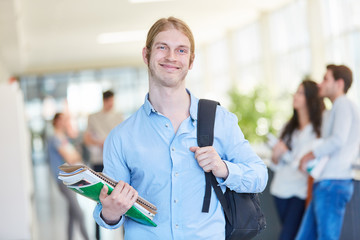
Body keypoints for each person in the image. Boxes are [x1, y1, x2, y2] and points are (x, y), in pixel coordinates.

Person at [92, 17, 268, 239]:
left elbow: (259, 175)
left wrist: (223, 168)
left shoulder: (221, 121)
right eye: (162, 47)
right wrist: (110, 211)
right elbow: (106, 212)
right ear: (146, 55)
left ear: (191, 61)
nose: (171, 57)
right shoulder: (121, 137)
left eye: (181, 50)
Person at [296, 64, 360, 240]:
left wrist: (309, 155)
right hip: (326, 182)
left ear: (339, 83)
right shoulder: (335, 109)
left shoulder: (343, 104)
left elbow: (337, 140)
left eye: (326, 79)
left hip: (334, 183)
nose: (320, 84)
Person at [270, 80, 324, 240]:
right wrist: (276, 155)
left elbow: (304, 165)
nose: (295, 96)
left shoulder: (317, 131)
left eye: (300, 93)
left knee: (287, 236)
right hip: (279, 191)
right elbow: (275, 165)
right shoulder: (288, 127)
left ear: (310, 99)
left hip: (298, 193)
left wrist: (285, 153)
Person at [83, 90, 123, 240]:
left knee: (120, 196)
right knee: (98, 198)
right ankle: (97, 236)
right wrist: (100, 143)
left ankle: (124, 233)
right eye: (109, 101)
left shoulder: (119, 117)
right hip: (98, 161)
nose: (111, 104)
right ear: (104, 101)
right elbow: (86, 139)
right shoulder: (93, 118)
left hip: (115, 162)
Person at [47, 113, 89, 240]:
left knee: (72, 213)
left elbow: (75, 156)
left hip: (70, 179)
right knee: (80, 213)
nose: (65, 123)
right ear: (56, 122)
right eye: (62, 120)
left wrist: (74, 155)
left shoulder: (63, 138)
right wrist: (74, 155)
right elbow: (71, 157)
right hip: (63, 181)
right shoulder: (55, 138)